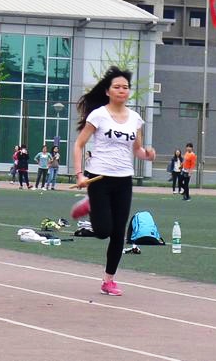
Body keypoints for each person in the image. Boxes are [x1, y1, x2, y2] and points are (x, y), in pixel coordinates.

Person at [70, 66, 156, 297]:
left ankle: (108, 280)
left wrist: (147, 154)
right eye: (117, 87)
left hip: (123, 180)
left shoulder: (135, 119)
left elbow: (137, 150)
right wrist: (79, 175)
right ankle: (89, 205)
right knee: (102, 231)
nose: (121, 90)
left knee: (119, 232)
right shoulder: (98, 115)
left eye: (125, 87)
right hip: (98, 178)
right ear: (108, 91)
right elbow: (79, 144)